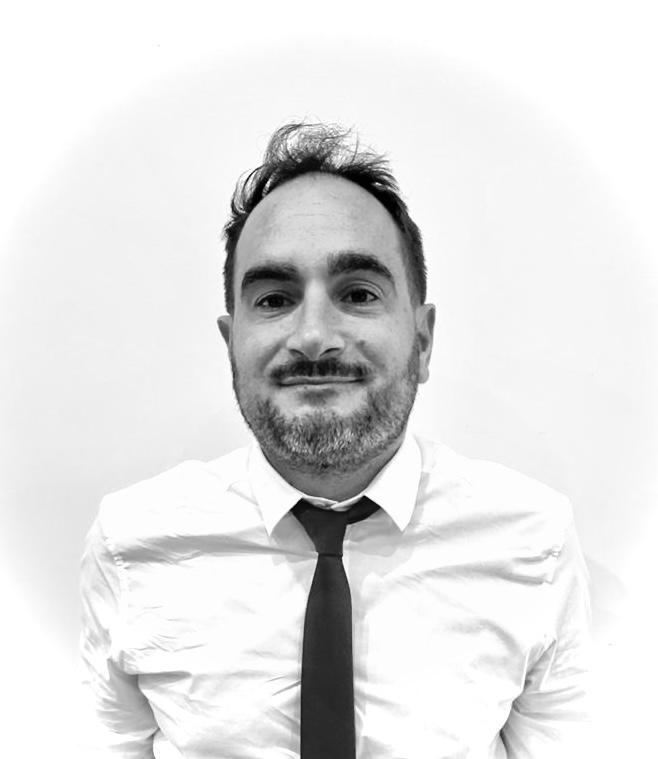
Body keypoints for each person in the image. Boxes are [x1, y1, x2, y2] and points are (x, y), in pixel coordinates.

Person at [80, 123, 591, 758]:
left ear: (422, 341)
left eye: (358, 294)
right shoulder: (131, 544)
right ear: (231, 344)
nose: (314, 336)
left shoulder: (534, 540)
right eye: (274, 299)